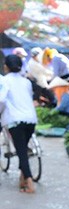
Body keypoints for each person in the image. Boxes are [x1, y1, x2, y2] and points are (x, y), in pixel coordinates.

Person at [0, 55, 39, 193]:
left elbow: (1, 100)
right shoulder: (26, 82)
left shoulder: (4, 81)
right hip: (31, 120)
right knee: (23, 150)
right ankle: (22, 179)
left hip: (14, 120)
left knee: (21, 151)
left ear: (6, 66)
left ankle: (29, 182)